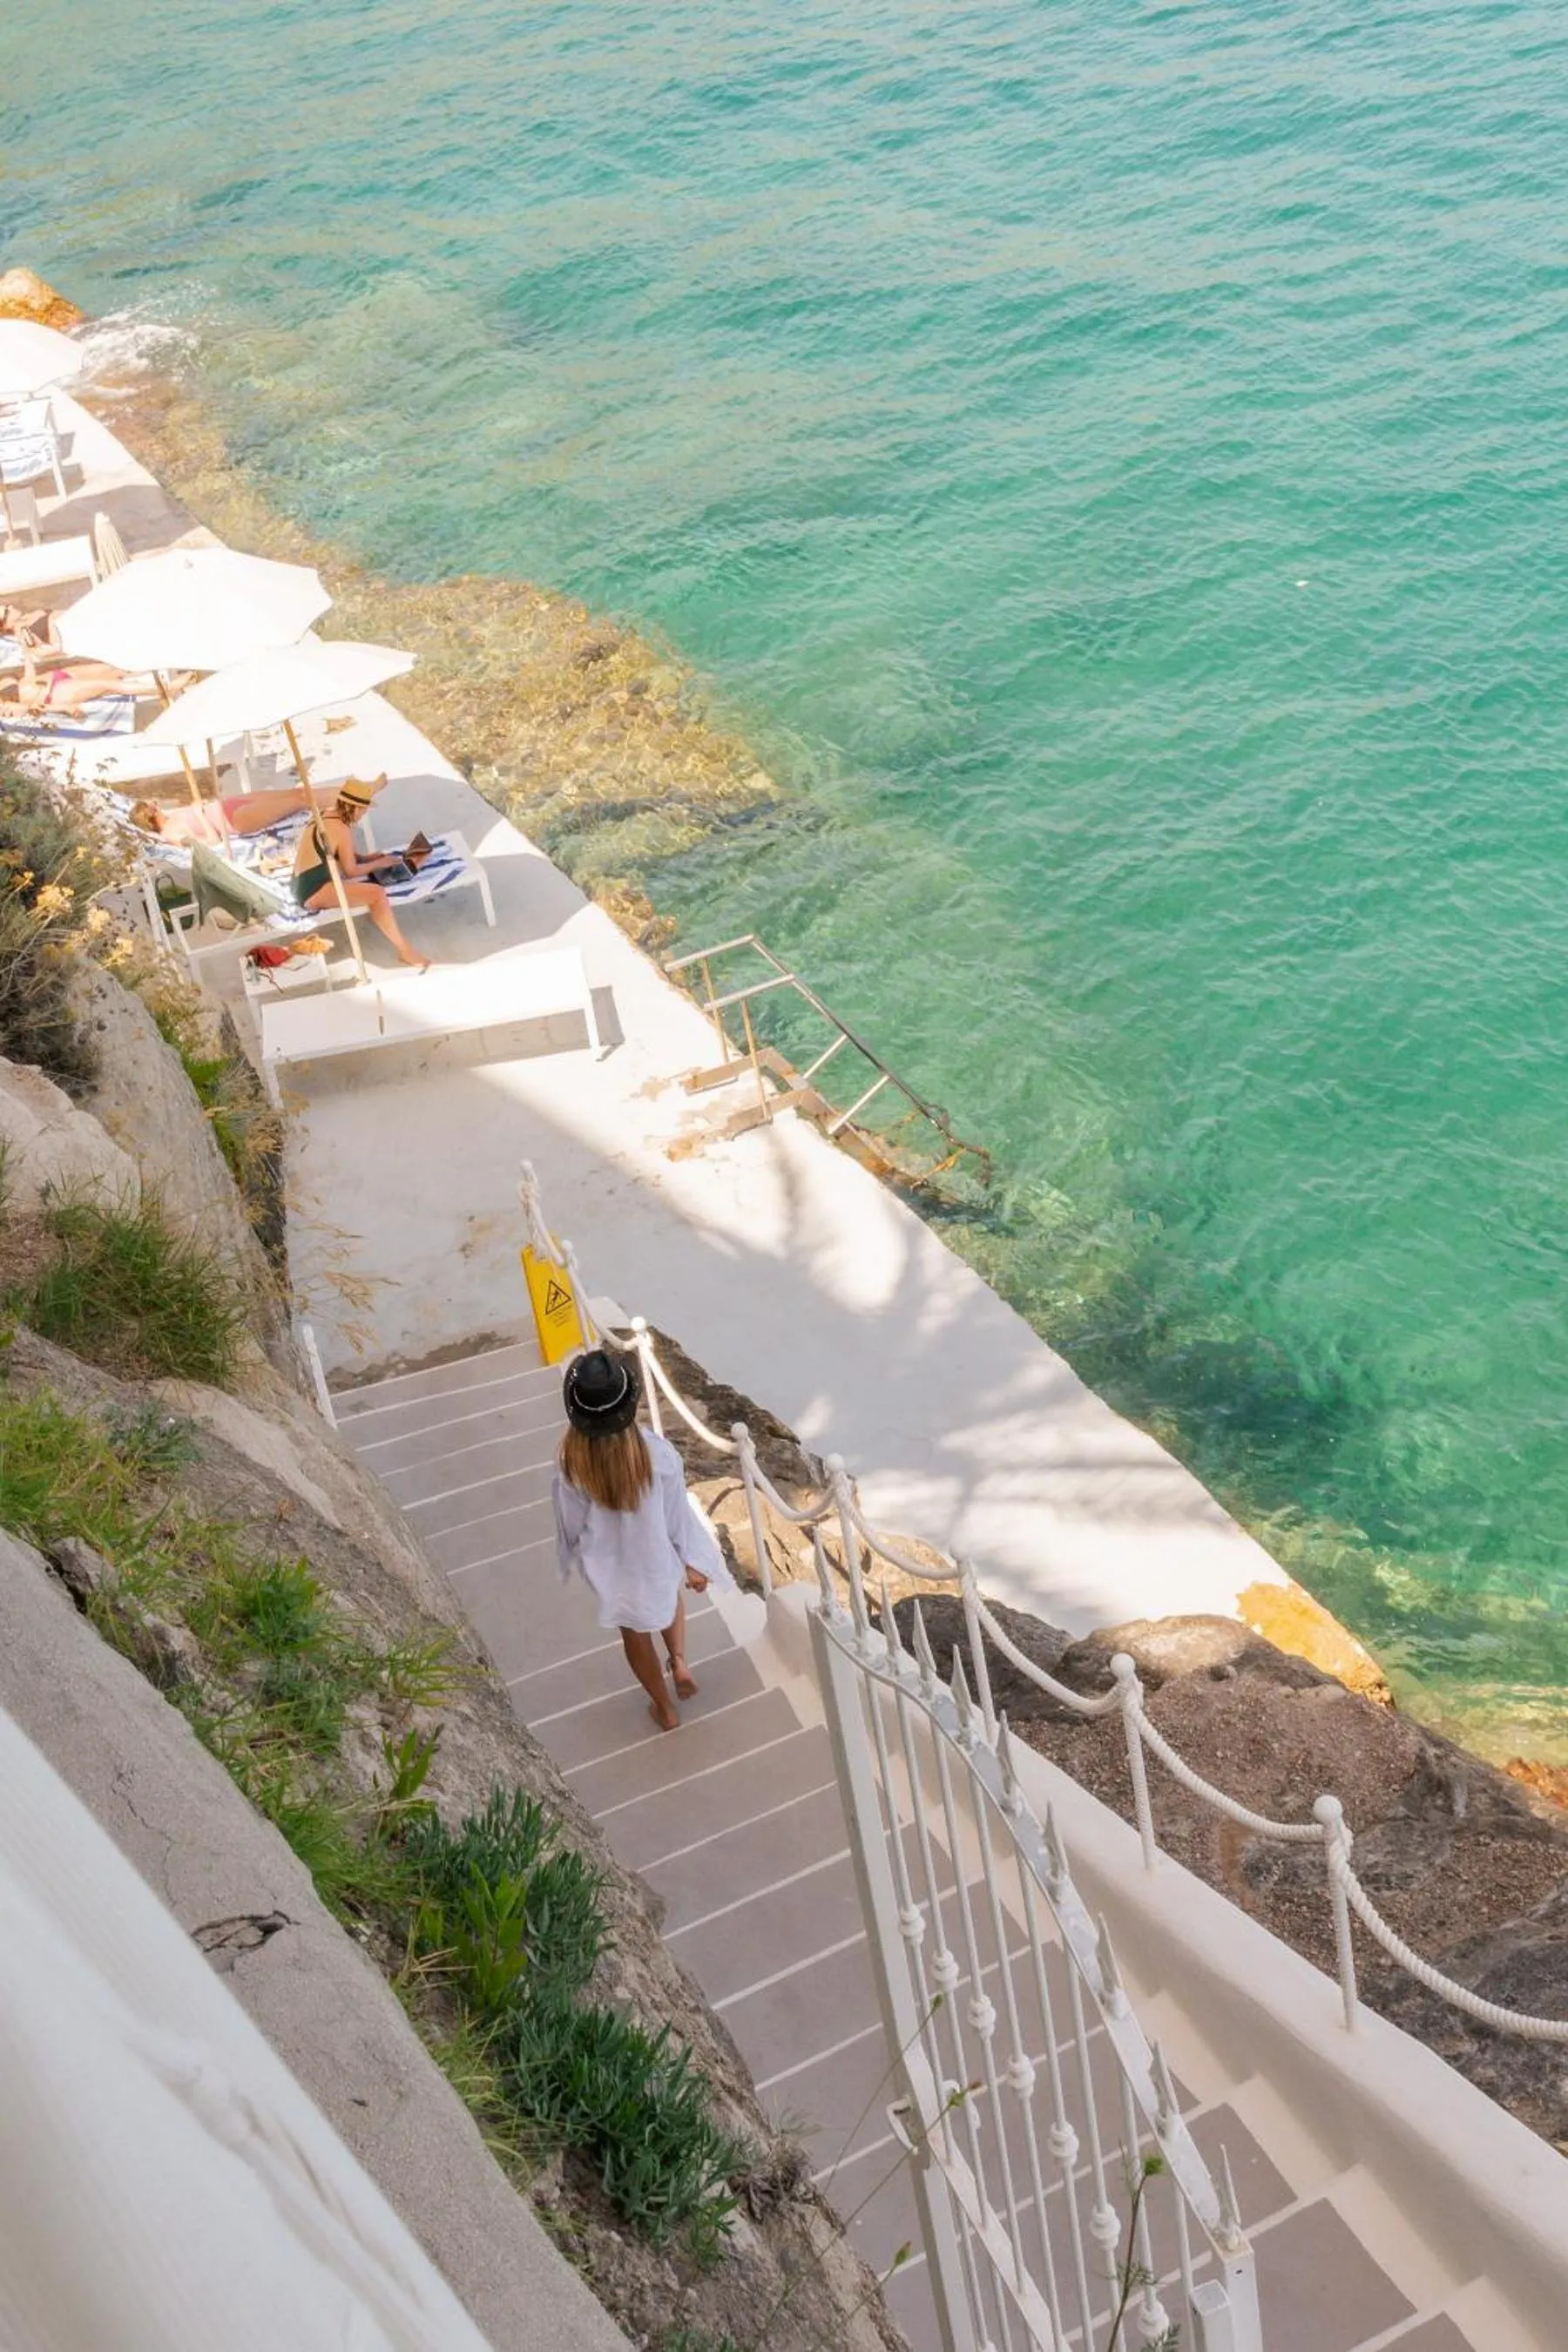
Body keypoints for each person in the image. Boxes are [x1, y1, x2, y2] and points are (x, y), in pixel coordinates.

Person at [552, 1349, 728, 1732]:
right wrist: (692, 1560)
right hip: (654, 1556)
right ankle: (679, 1660)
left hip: (611, 1568)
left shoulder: (572, 1468)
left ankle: (664, 1708)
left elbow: (571, 1522)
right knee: (667, 1601)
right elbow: (677, 1517)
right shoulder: (658, 1457)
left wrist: (568, 1555)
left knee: (634, 1635)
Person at [289, 775, 429, 970]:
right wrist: (380, 863)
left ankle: (404, 950)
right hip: (313, 892)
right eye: (364, 810)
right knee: (377, 894)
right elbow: (351, 871)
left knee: (373, 883)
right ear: (354, 807)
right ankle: (404, 951)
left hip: (299, 884)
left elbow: (335, 852)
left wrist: (368, 858)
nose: (363, 814)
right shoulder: (341, 829)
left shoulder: (324, 815)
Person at [129, 774, 389, 848]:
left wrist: (200, 810)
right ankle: (364, 793)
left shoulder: (172, 816)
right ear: (151, 813)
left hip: (229, 805)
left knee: (297, 792)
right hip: (235, 821)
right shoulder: (171, 835)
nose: (155, 802)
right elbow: (210, 841)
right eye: (151, 804)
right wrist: (198, 814)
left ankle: (360, 791)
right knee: (302, 799)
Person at [0, 652, 152, 719]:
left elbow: (28, 678)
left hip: (54, 677)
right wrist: (64, 708)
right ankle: (163, 689)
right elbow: (30, 708)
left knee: (112, 669)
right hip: (54, 694)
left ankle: (157, 665)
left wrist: (28, 659)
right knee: (111, 685)